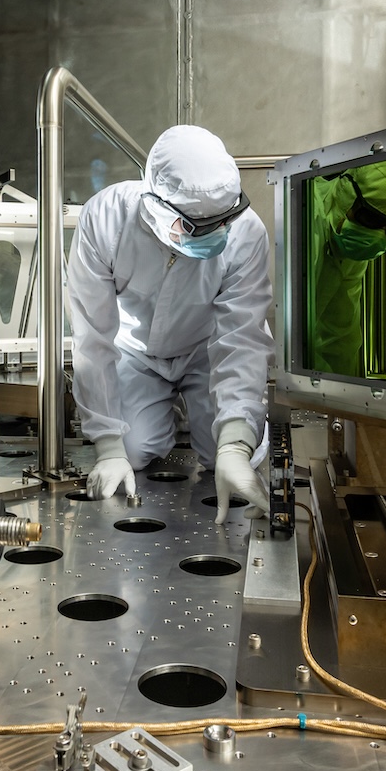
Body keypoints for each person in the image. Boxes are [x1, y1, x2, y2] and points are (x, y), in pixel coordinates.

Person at [67, 125, 273, 525]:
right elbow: (93, 336)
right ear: (155, 205)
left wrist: (234, 446)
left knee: (227, 452)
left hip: (205, 349)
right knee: (135, 449)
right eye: (198, 226)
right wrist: (109, 447)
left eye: (223, 219)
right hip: (136, 350)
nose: (217, 232)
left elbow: (242, 338)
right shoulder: (107, 219)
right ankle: (165, 412)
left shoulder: (247, 232)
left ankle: (207, 423)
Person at [305, 155, 386, 379]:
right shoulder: (303, 221)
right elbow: (274, 340)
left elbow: (339, 336)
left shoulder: (348, 249)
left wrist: (343, 396)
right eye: (370, 219)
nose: (376, 237)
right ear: (346, 191)